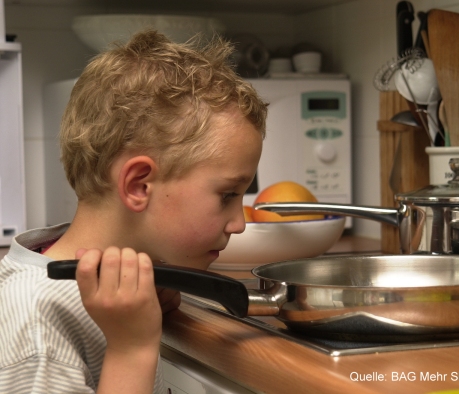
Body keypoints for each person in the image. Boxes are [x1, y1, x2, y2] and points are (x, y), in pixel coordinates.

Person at [0, 30, 267, 394]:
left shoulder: (93, 280)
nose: (239, 223)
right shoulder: (38, 325)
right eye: (227, 195)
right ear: (139, 185)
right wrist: (131, 350)